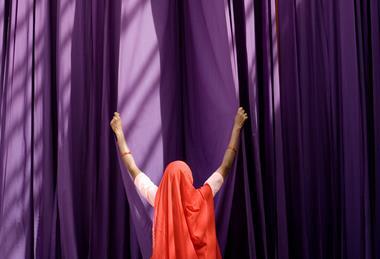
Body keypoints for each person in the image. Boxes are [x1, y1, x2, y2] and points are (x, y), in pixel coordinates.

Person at [110, 107, 248, 258]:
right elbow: (225, 166)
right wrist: (236, 127)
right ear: (189, 179)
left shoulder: (159, 199)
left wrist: (120, 134)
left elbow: (133, 169)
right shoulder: (202, 197)